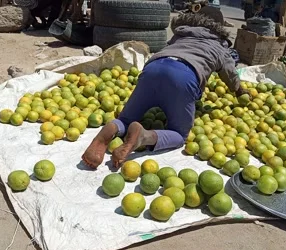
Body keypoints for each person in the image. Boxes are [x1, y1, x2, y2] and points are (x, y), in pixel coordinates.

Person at [81, 7, 248, 169]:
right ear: (220, 28)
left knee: (126, 119)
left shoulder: (183, 34)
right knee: (179, 134)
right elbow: (230, 74)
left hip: (153, 67)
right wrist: (240, 91)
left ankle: (113, 128)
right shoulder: (219, 46)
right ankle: (144, 136)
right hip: (184, 76)